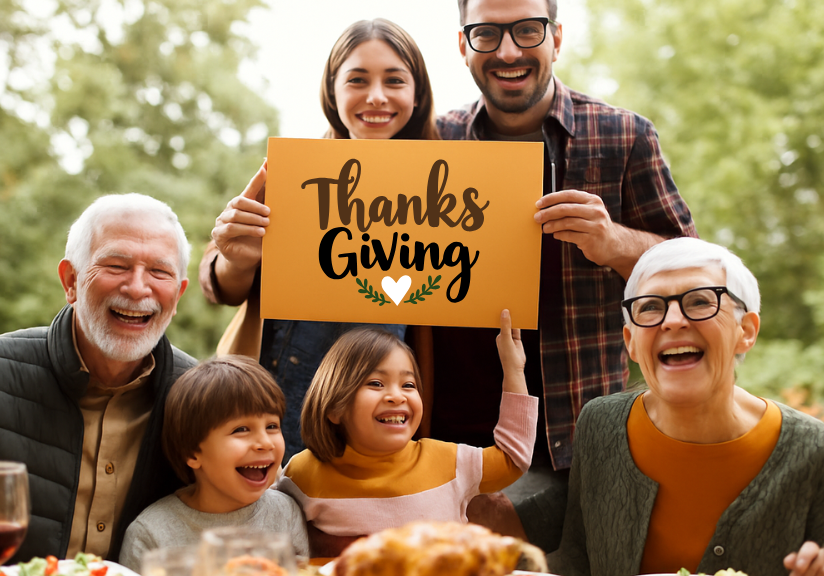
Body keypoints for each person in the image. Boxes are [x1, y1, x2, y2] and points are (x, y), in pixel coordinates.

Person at [437, 0, 696, 549]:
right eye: (486, 34)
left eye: (527, 31)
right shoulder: (433, 140)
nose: (508, 51)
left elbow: (692, 272)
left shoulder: (624, 136)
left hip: (574, 450)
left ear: (556, 38)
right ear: (463, 46)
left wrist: (614, 242)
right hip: (445, 450)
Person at [0, 194, 195, 567]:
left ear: (178, 294)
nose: (137, 288)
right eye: (116, 265)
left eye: (159, 272)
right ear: (70, 280)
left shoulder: (197, 398)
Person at [198, 18, 442, 462]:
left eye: (394, 80)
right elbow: (219, 283)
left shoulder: (448, 185)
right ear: (331, 91)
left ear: (417, 93)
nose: (376, 96)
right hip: (283, 399)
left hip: (384, 420)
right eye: (357, 80)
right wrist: (238, 260)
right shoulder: (293, 174)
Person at [546, 237, 824, 576]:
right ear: (630, 342)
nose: (672, 320)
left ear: (745, 331)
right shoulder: (599, 424)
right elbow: (575, 559)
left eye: (700, 301)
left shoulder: (819, 451)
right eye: (650, 307)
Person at [275, 310, 536, 558]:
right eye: (376, 383)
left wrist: (514, 370)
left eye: (408, 384)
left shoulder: (448, 461)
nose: (396, 396)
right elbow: (267, 516)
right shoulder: (302, 473)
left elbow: (512, 458)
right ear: (334, 407)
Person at [118, 356, 308, 570]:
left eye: (272, 426)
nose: (265, 442)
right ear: (193, 453)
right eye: (241, 429)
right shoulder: (150, 533)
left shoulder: (286, 512)